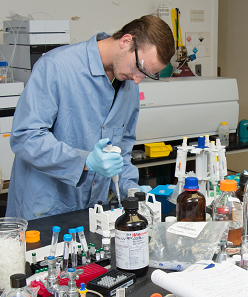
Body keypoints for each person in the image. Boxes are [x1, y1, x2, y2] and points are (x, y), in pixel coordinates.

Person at [7, 15, 175, 220]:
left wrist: (132, 190)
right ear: (126, 41)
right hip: (45, 210)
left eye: (147, 74)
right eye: (140, 68)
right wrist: (85, 161)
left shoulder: (128, 83)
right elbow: (25, 137)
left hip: (93, 210)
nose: (138, 79)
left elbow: (122, 149)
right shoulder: (56, 66)